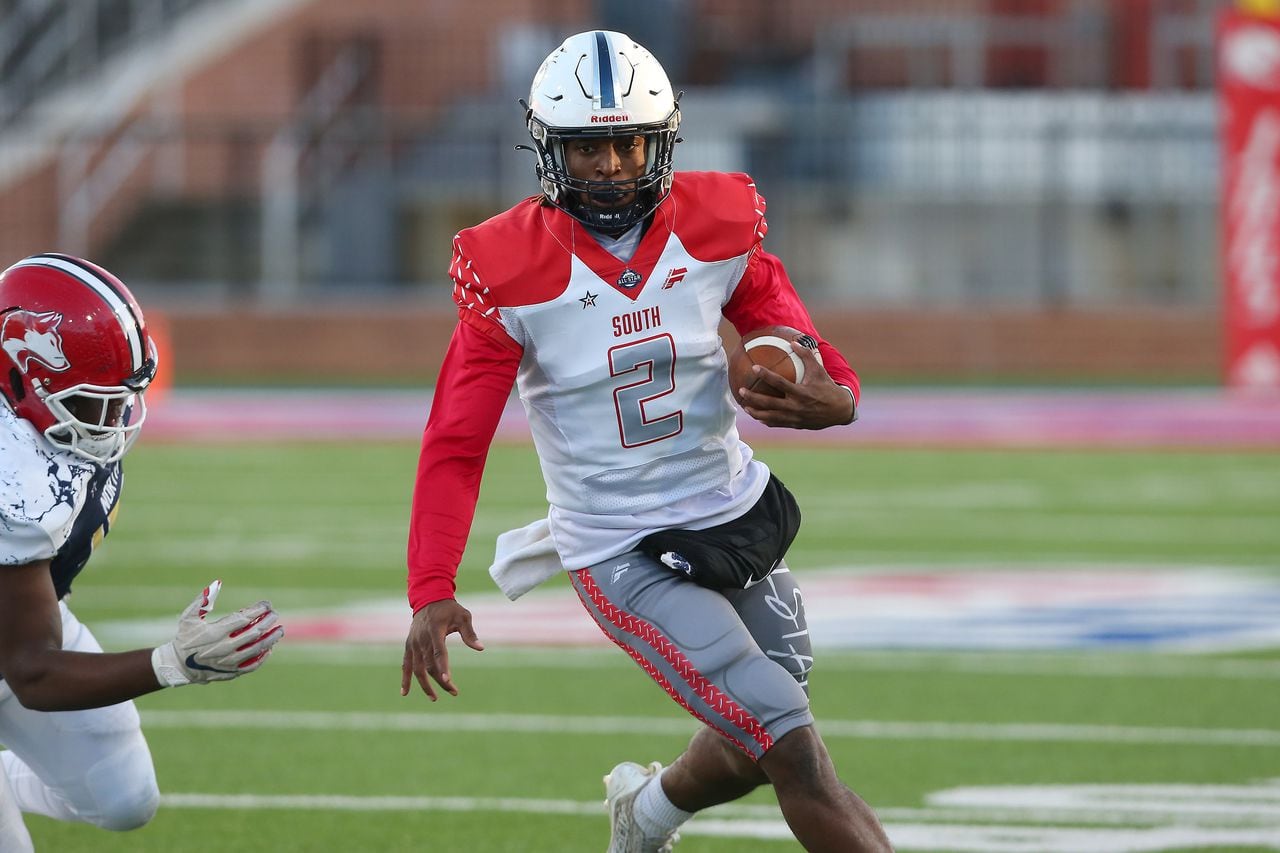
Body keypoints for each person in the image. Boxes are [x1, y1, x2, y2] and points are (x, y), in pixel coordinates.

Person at [399, 30, 893, 853]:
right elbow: (457, 438)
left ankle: (646, 815)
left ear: (660, 139)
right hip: (619, 542)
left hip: (732, 508)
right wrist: (430, 585)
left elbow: (781, 317)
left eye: (628, 141)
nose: (609, 165)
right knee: (790, 741)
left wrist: (835, 392)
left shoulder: (716, 219)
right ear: (549, 149)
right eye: (587, 147)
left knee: (755, 733)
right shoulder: (509, 265)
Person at [0, 253, 285, 851]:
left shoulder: (47, 433)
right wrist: (170, 663)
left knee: (125, 798)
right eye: (89, 402)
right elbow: (31, 671)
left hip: (21, 618)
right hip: (23, 648)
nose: (113, 420)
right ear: (19, 375)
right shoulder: (12, 479)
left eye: (116, 398)